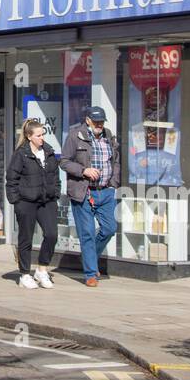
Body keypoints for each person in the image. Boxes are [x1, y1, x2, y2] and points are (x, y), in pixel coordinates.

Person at [61, 106, 121, 287]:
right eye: (96, 122)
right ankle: (90, 274)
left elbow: (115, 160)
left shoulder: (109, 136)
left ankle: (89, 258)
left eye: (102, 122)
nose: (100, 125)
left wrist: (113, 183)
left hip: (106, 191)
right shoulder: (75, 136)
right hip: (83, 191)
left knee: (110, 228)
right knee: (86, 232)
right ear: (87, 120)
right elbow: (64, 161)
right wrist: (83, 170)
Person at [6, 118, 62, 290]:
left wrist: (55, 192)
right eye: (38, 135)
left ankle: (42, 269)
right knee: (26, 238)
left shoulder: (48, 152)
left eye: (43, 134)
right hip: (26, 201)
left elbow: (55, 175)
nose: (41, 138)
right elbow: (11, 179)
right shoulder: (21, 154)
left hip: (47, 200)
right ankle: (24, 274)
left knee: (52, 234)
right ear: (29, 136)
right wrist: (16, 201)